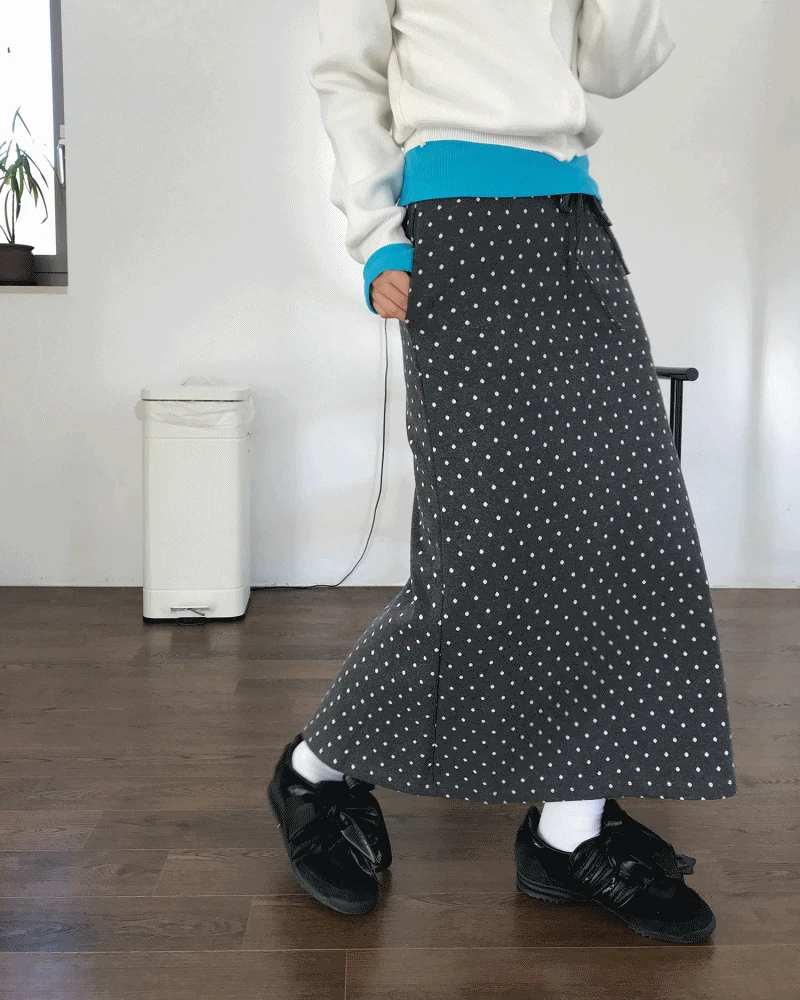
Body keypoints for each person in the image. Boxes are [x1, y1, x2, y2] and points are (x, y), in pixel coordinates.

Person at [268, 0, 736, 944]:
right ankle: (315, 771)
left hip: (573, 219)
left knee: (627, 528)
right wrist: (376, 231)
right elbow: (347, 72)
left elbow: (615, 63)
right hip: (459, 236)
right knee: (484, 562)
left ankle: (568, 831)